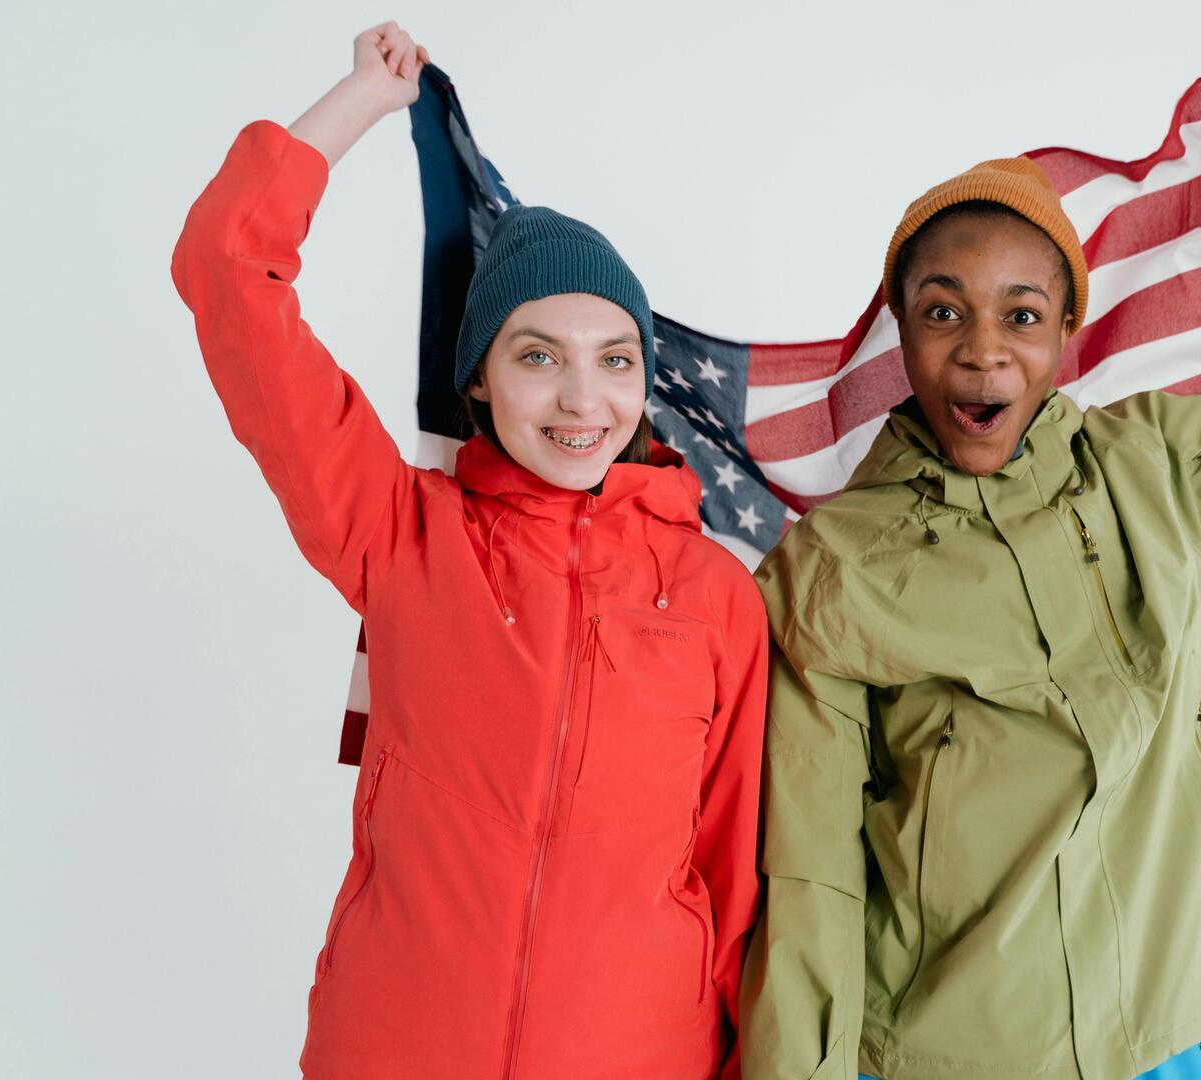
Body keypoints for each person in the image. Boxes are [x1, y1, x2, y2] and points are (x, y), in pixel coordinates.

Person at [739, 20, 1201, 1080]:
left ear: (1068, 331)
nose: (983, 348)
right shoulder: (834, 569)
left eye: (1020, 315)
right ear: (901, 329)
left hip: (1163, 1051)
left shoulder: (1169, 474)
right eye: (944, 313)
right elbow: (811, 881)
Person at [170, 22, 768, 1079]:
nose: (585, 400)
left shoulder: (714, 595)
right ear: (480, 378)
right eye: (539, 357)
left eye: (615, 359)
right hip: (394, 1049)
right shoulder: (400, 532)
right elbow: (227, 265)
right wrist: (361, 101)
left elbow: (735, 885)